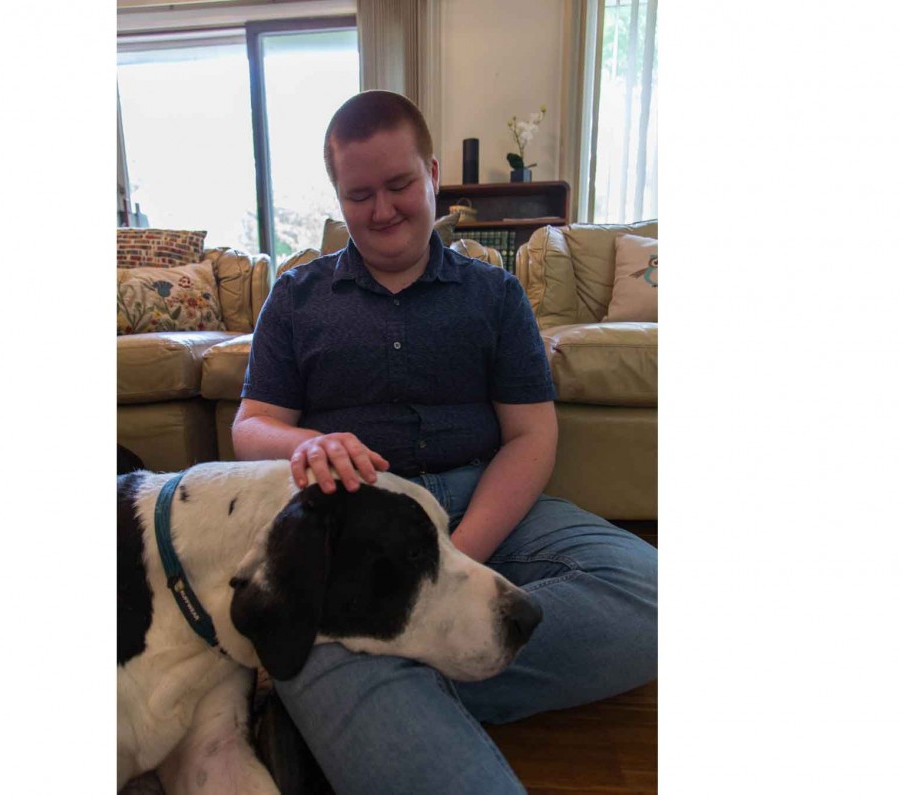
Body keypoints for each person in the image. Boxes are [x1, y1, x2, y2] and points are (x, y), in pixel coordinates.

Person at [233, 89, 656, 795]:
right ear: (339, 198)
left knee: (651, 595)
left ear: (432, 174)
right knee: (307, 627)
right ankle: (367, 689)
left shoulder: (495, 294)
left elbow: (531, 435)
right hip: (357, 522)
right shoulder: (295, 296)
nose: (382, 210)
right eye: (359, 194)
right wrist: (305, 443)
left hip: (486, 501)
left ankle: (351, 701)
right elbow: (250, 425)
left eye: (399, 184)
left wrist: (451, 559)